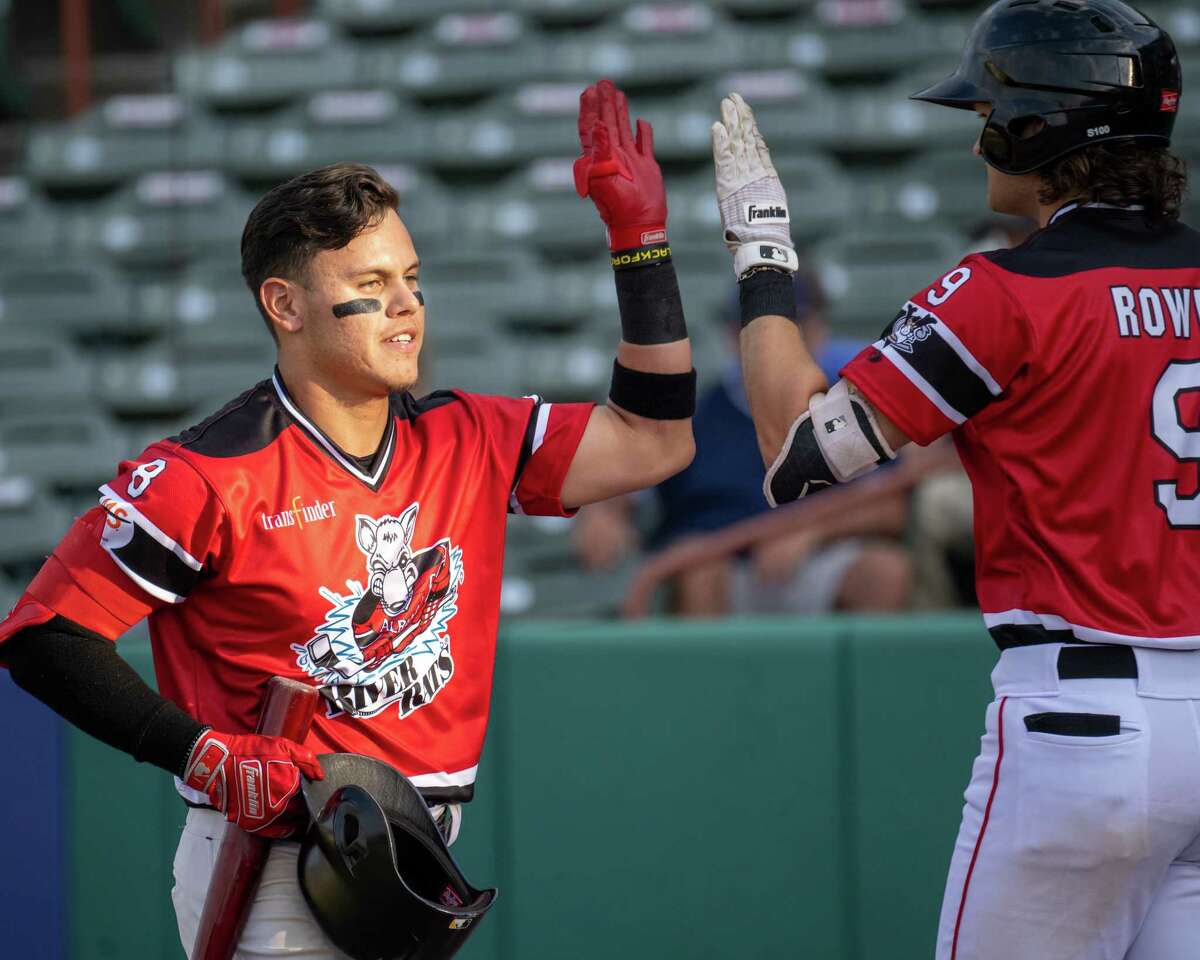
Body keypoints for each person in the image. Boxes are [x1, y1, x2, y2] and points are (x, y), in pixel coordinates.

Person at [0, 78, 695, 958]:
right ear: (284, 305)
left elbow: (656, 441)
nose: (407, 304)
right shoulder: (205, 474)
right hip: (281, 856)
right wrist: (203, 751)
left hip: (417, 849)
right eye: (371, 282)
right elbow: (43, 637)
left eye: (411, 278)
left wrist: (639, 244)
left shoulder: (471, 436)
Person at [710, 1, 1200, 958]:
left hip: (1083, 723)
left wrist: (761, 249)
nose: (980, 135)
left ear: (1044, 128)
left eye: (992, 113)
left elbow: (793, 454)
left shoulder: (1005, 292)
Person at [575, 269, 912, 616]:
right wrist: (603, 513)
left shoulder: (848, 407)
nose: (772, 341)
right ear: (731, 334)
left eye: (790, 326)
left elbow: (890, 508)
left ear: (818, 330)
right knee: (698, 570)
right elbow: (630, 475)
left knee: (884, 572)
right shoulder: (698, 414)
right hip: (720, 565)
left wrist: (813, 531)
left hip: (820, 558)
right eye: (752, 327)